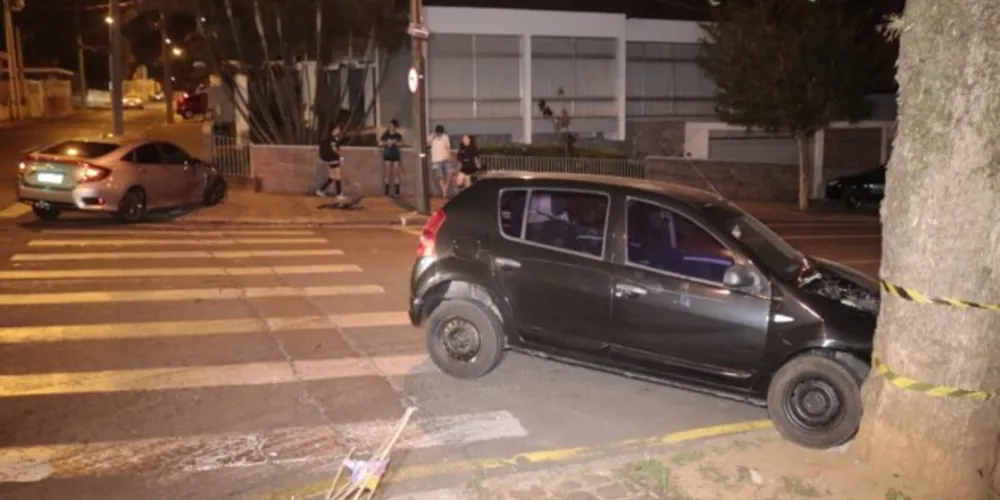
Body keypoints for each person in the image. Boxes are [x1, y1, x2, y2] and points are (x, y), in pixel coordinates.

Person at [316, 124, 346, 199]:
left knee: (332, 176)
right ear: (334, 130)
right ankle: (339, 194)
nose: (339, 131)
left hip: (327, 159)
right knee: (338, 175)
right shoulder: (333, 139)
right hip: (333, 159)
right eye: (338, 129)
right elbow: (334, 149)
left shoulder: (327, 138)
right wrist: (340, 156)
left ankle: (321, 190)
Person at [427, 124, 452, 198]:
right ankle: (444, 191)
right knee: (440, 176)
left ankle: (446, 188)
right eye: (438, 132)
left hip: (445, 158)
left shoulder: (445, 137)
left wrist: (449, 156)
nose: (439, 134)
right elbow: (427, 144)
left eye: (440, 133)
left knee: (449, 173)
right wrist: (433, 137)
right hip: (436, 159)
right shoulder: (432, 136)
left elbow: (448, 147)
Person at [379, 119, 403, 196]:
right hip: (387, 155)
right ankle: (386, 190)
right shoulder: (385, 135)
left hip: (395, 155)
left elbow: (401, 144)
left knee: (396, 173)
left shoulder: (398, 135)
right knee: (387, 172)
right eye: (389, 125)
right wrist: (386, 142)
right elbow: (380, 143)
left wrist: (395, 142)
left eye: (392, 125)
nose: (390, 127)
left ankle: (397, 190)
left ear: (395, 126)